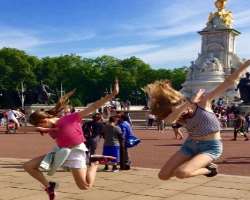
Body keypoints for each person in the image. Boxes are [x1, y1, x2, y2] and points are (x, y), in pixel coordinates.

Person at [144, 60, 250, 180]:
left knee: (181, 173)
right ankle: (199, 165)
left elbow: (229, 81)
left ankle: (209, 169)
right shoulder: (179, 116)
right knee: (163, 175)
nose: (180, 112)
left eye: (177, 107)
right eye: (174, 110)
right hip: (190, 145)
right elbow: (169, 121)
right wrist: (186, 104)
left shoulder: (203, 103)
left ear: (178, 100)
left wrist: (246, 64)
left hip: (211, 146)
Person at [23, 80, 119, 200]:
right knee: (28, 166)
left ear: (44, 120)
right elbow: (22, 129)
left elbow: (94, 106)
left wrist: (112, 95)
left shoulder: (70, 118)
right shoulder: (47, 128)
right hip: (59, 152)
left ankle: (94, 162)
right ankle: (49, 187)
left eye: (38, 125)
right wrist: (40, 129)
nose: (39, 129)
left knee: (85, 186)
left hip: (76, 152)